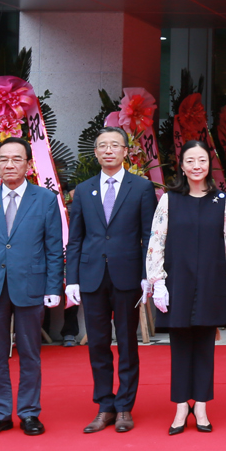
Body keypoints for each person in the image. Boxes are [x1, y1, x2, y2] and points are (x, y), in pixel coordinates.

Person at [0, 137, 64, 438]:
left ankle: (29, 413)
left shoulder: (45, 199)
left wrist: (53, 286)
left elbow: (54, 247)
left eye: (17, 159)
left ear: (28, 164)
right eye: (4, 159)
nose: (10, 164)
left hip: (31, 285)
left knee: (30, 353)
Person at [64, 128, 157, 434]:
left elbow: (149, 237)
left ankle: (124, 407)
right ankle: (104, 405)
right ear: (96, 152)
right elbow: (75, 238)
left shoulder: (141, 188)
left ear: (125, 152)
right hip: (91, 276)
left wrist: (147, 276)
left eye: (114, 145)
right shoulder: (84, 189)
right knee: (98, 344)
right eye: (102, 146)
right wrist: (72, 278)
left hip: (128, 275)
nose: (108, 150)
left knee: (128, 342)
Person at [147, 141, 226, 434]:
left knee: (204, 345)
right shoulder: (169, 199)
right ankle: (179, 407)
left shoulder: (221, 200)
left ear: (208, 164)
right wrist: (157, 280)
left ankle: (200, 405)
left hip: (212, 280)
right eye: (191, 161)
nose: (197, 166)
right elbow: (156, 241)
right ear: (182, 166)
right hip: (178, 281)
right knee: (180, 345)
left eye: (202, 160)